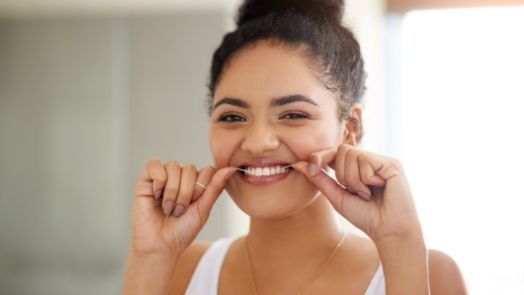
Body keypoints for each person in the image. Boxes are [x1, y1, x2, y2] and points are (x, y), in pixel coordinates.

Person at [123, 0, 468, 294]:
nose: (258, 142)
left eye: (292, 114)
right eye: (232, 117)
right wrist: (149, 259)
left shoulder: (428, 273)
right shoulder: (181, 272)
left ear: (351, 128)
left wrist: (398, 241)